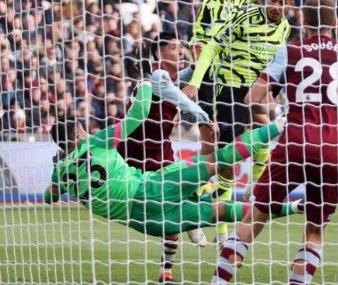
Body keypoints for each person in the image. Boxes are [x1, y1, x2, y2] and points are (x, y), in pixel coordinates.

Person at [182, 0, 338, 285]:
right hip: (331, 150)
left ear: (303, 23)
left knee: (252, 221)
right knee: (314, 232)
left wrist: (270, 114)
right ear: (337, 23)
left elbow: (252, 97)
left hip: (293, 144)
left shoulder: (289, 51)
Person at [44, 82, 301, 250]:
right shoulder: (96, 143)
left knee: (220, 212)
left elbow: (49, 198)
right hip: (150, 190)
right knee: (218, 160)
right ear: (78, 134)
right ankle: (281, 125)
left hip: (145, 222)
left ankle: (296, 207)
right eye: (81, 129)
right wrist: (146, 86)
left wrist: (59, 171)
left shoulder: (60, 173)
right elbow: (137, 115)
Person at [184, 0, 298, 246]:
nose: (276, 7)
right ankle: (202, 210)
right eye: (273, 0)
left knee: (268, 123)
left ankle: (246, 192)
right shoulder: (243, 16)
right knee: (224, 163)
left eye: (283, 3)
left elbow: (276, 63)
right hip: (226, 88)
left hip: (254, 89)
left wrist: (276, 90)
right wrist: (195, 83)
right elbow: (211, 46)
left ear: (290, 5)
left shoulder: (284, 29)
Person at [119, 30, 215, 282]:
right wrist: (205, 119)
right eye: (173, 48)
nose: (179, 51)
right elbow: (184, 101)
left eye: (180, 47)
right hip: (132, 147)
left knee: (172, 202)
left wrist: (199, 59)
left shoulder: (172, 77)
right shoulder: (158, 77)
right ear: (158, 53)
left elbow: (192, 74)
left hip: (160, 147)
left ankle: (166, 269)